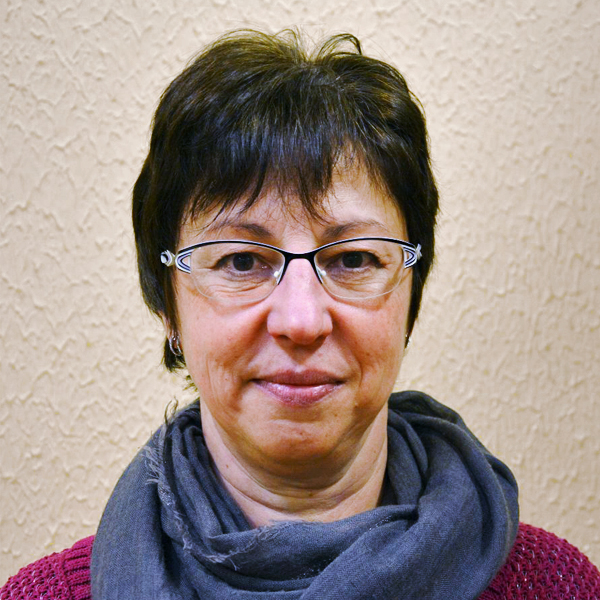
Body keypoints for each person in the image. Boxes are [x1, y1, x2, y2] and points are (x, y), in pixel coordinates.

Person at [2, 29, 599, 600]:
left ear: (410, 293)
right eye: (240, 261)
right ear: (168, 307)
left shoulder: (553, 588)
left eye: (353, 259)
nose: (301, 320)